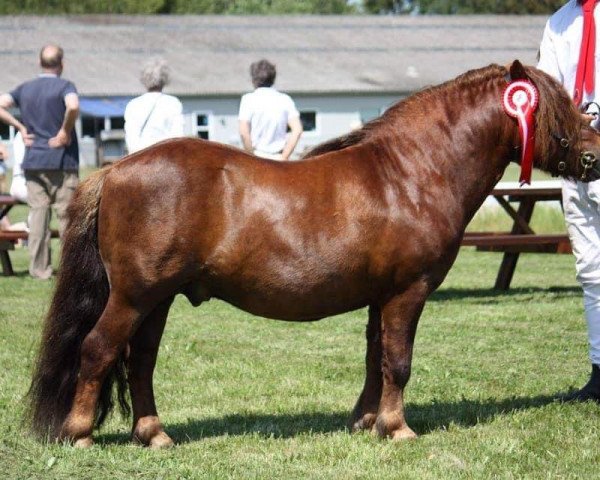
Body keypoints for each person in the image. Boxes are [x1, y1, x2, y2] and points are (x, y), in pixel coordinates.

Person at [538, 0, 600, 402]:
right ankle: (599, 371)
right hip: (577, 158)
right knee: (591, 269)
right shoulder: (559, 22)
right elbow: (548, 89)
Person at [0, 44, 80, 280]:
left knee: (38, 217)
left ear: (40, 63)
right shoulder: (66, 86)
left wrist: (20, 127)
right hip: (62, 162)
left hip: (34, 160)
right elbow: (73, 105)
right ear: (62, 64)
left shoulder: (25, 89)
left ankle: (39, 270)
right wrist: (65, 130)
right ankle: (70, 271)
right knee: (67, 218)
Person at [238, 59, 303, 160]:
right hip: (279, 157)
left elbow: (243, 132)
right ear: (273, 78)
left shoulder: (248, 99)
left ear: (253, 79)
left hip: (256, 156)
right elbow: (297, 129)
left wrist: (251, 156)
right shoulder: (285, 99)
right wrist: (285, 156)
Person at [124, 57, 184, 154]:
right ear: (165, 79)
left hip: (140, 158)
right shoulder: (173, 103)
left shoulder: (133, 105)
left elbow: (131, 140)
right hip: (166, 157)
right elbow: (177, 137)